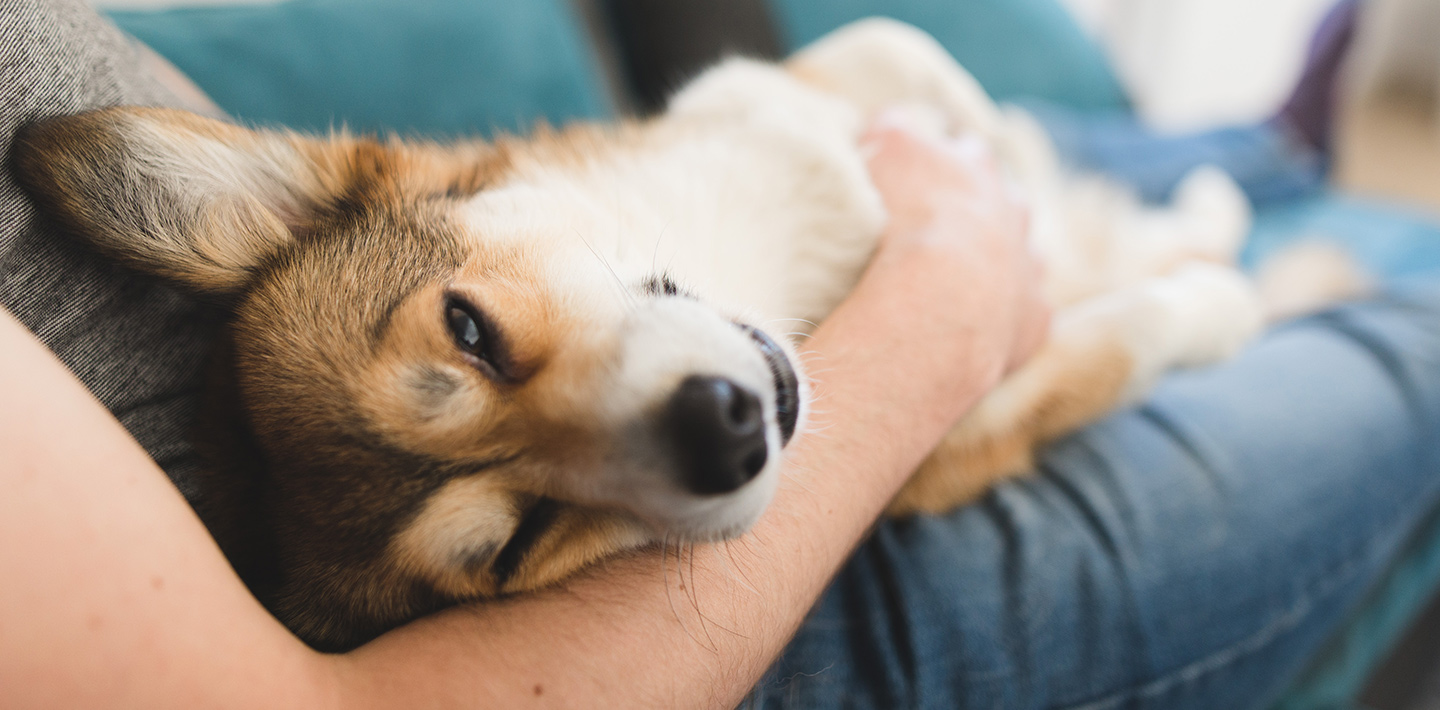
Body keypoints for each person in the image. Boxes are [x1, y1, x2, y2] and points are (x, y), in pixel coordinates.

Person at [5, 1, 1440, 709]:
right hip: (754, 609)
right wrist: (945, 313)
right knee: (1407, 313)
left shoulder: (380, 227)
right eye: (517, 531)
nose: (653, 429)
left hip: (779, 241)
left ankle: (1259, 156)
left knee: (1144, 157)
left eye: (480, 339)